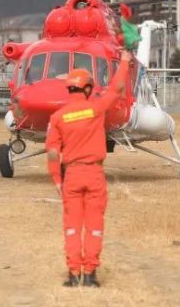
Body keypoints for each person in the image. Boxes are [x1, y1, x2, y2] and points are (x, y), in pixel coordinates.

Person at [45, 49, 132, 288]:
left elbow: (53, 152)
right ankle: (91, 275)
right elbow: (116, 89)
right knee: (94, 225)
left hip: (71, 175)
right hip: (94, 174)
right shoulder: (95, 109)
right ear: (86, 89)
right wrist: (124, 62)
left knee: (72, 227)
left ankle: (73, 275)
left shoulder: (58, 117)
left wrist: (57, 180)